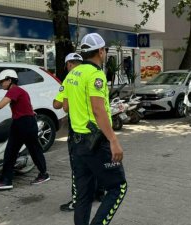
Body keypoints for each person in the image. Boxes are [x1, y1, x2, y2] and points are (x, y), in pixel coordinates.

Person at [62, 33, 127, 225]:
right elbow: (99, 110)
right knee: (118, 187)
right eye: (105, 50)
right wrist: (114, 141)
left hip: (77, 143)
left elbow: (65, 106)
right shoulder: (96, 75)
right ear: (100, 51)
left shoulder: (73, 74)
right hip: (96, 143)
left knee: (83, 195)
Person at [0, 69, 50, 190]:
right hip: (20, 123)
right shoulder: (18, 91)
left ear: (9, 80)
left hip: (25, 123)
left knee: (32, 149)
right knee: (11, 152)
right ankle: (6, 180)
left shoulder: (15, 90)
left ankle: (42, 174)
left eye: (2, 82)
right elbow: (26, 105)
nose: (1, 84)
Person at [53, 53, 106, 212]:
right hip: (97, 129)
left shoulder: (69, 79)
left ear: (69, 64)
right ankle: (100, 192)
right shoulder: (94, 74)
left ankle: (78, 201)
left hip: (78, 132)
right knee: (99, 162)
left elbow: (61, 106)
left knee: (79, 169)